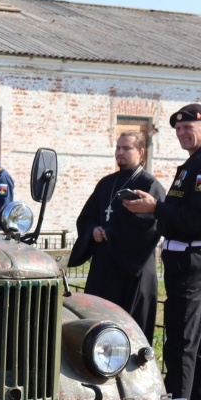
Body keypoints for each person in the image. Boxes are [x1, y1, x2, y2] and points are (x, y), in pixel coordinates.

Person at [124, 103, 201, 400]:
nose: (184, 133)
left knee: (180, 344)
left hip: (192, 259)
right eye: (179, 129)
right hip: (187, 257)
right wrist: (159, 211)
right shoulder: (192, 164)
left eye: (190, 128)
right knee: (198, 348)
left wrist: (157, 208)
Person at [68, 132, 166, 342]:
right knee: (97, 327)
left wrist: (110, 234)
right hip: (104, 269)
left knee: (129, 333)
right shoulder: (106, 183)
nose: (120, 153)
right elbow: (87, 217)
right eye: (118, 148)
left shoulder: (149, 185)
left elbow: (149, 227)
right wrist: (94, 230)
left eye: (126, 148)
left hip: (132, 271)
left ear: (140, 152)